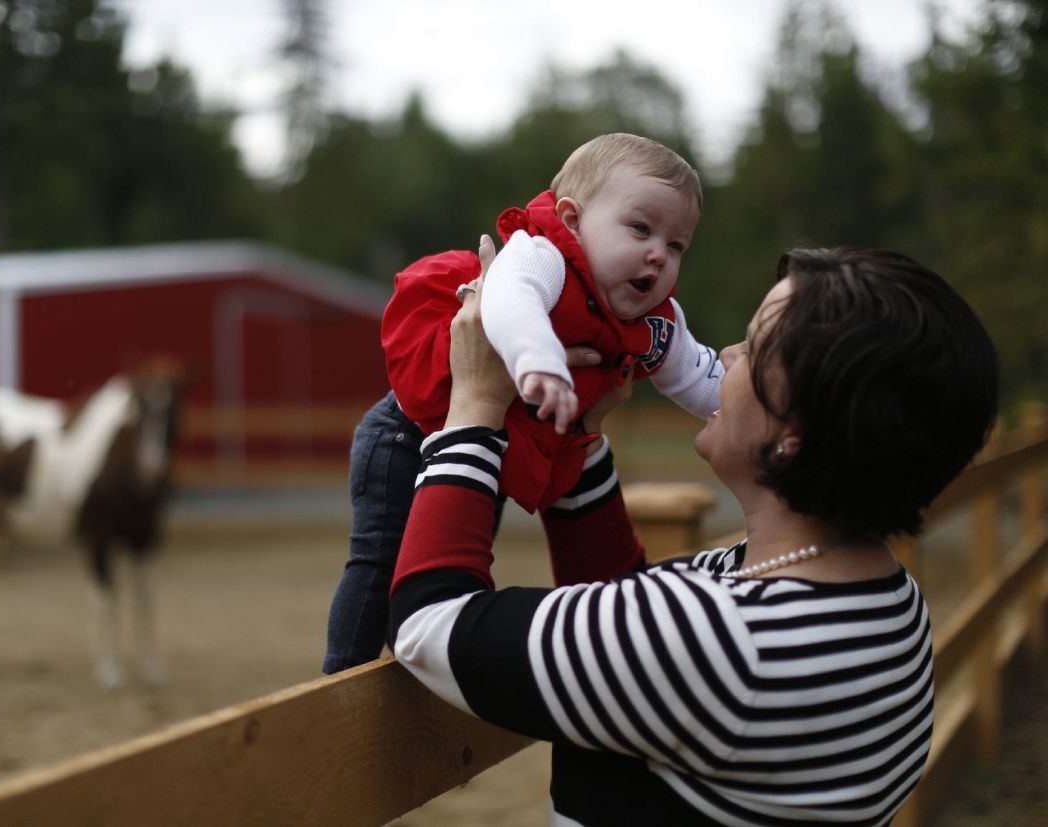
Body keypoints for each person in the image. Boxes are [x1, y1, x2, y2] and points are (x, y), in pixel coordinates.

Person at [388, 245, 999, 825]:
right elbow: (622, 616)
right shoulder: (887, 602)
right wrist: (573, 427)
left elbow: (431, 626)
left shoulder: (732, 645)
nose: (726, 354)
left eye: (755, 347)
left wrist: (472, 403)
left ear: (795, 435)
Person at [324, 133, 724, 674]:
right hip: (410, 431)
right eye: (640, 229)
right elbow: (511, 303)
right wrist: (539, 361)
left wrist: (748, 410)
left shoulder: (655, 322)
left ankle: (407, 676)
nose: (658, 253)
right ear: (574, 220)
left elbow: (699, 376)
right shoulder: (544, 256)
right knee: (380, 560)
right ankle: (344, 673)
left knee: (462, 552)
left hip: (487, 443)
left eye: (677, 246)